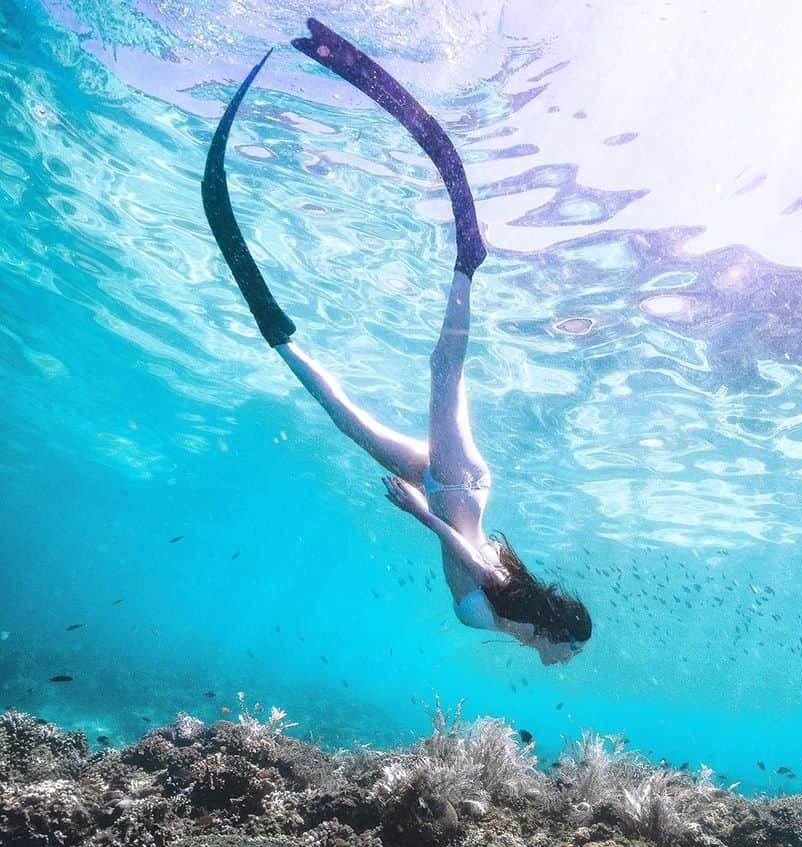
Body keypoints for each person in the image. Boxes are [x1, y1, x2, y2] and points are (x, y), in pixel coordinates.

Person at [201, 21, 592, 665]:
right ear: (560, 636)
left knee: (347, 421)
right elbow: (471, 557)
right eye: (570, 654)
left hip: (450, 486)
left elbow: (479, 561)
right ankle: (469, 262)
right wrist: (419, 513)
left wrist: (429, 506)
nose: (564, 665)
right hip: (453, 485)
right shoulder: (512, 615)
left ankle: (280, 336)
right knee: (442, 370)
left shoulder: (517, 621)